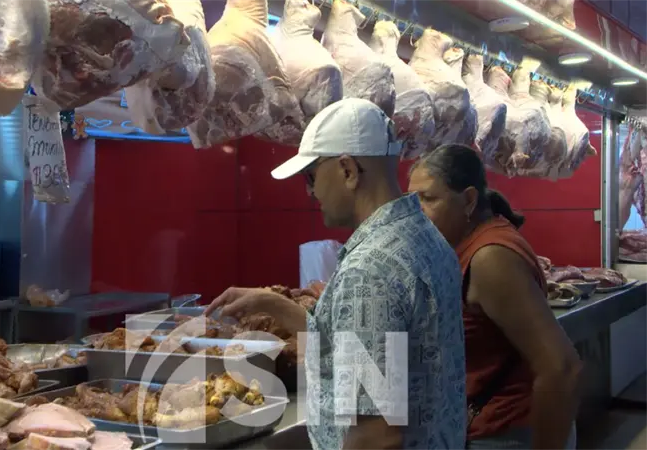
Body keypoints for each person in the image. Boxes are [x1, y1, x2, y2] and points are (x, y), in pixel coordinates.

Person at [205, 99, 467, 450]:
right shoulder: (425, 237)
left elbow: (376, 435)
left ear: (348, 170)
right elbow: (369, 347)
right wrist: (275, 304)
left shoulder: (370, 270)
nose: (311, 192)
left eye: (311, 177)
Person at [407, 144, 582, 450]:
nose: (415, 212)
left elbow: (561, 367)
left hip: (508, 434)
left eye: (428, 199)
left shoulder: (490, 257)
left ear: (469, 200)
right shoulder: (465, 245)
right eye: (412, 201)